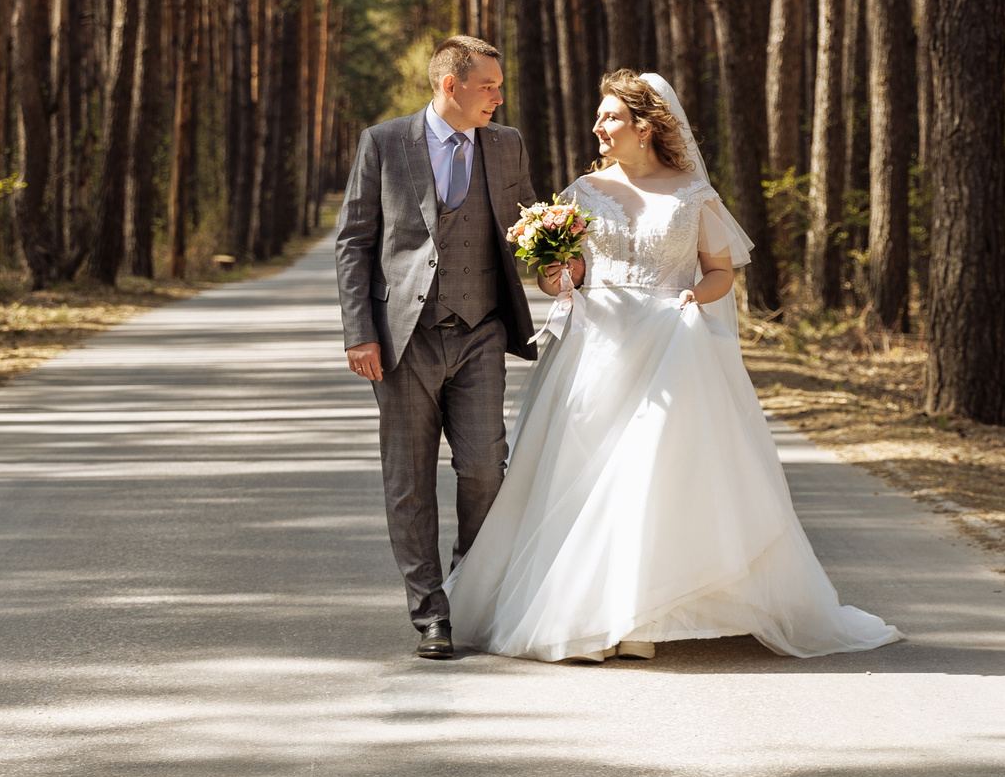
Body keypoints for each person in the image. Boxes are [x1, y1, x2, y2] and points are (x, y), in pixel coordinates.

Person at [446, 70, 901, 664]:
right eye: (599, 116)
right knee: (584, 476)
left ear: (645, 126)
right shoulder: (583, 191)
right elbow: (565, 273)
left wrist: (695, 297)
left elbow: (720, 271)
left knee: (646, 477)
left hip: (667, 344)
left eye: (610, 117)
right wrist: (558, 275)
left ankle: (641, 615)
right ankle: (591, 614)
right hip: (596, 347)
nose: (597, 127)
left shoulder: (693, 195)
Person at [334, 36, 544, 660]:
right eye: (488, 87)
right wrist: (359, 331)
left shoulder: (506, 145)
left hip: (482, 330)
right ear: (449, 86)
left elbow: (529, 224)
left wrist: (562, 263)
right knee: (409, 480)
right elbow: (354, 241)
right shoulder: (384, 141)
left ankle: (468, 584)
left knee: (484, 466)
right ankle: (430, 612)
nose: (498, 98)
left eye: (499, 87)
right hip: (403, 338)